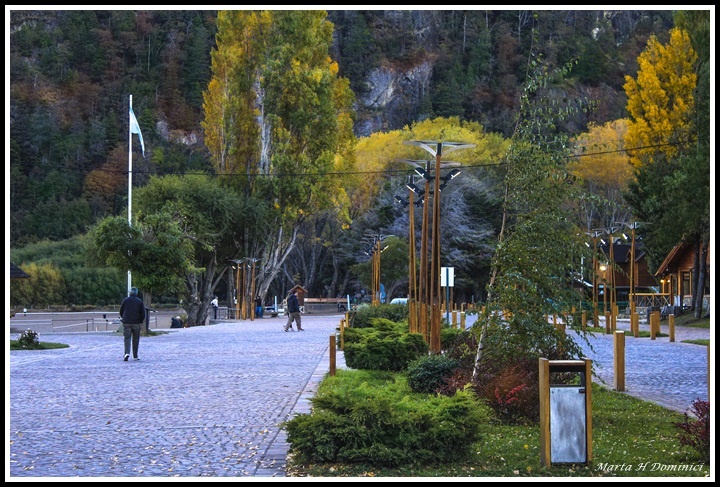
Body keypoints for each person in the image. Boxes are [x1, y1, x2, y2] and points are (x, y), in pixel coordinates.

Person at [120, 287, 145, 361]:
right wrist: (140, 321)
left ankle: (126, 353)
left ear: (130, 292)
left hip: (127, 322)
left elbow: (121, 310)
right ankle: (135, 355)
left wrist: (124, 318)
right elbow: (142, 313)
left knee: (127, 338)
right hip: (136, 322)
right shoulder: (139, 301)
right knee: (136, 339)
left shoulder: (125, 300)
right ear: (136, 293)